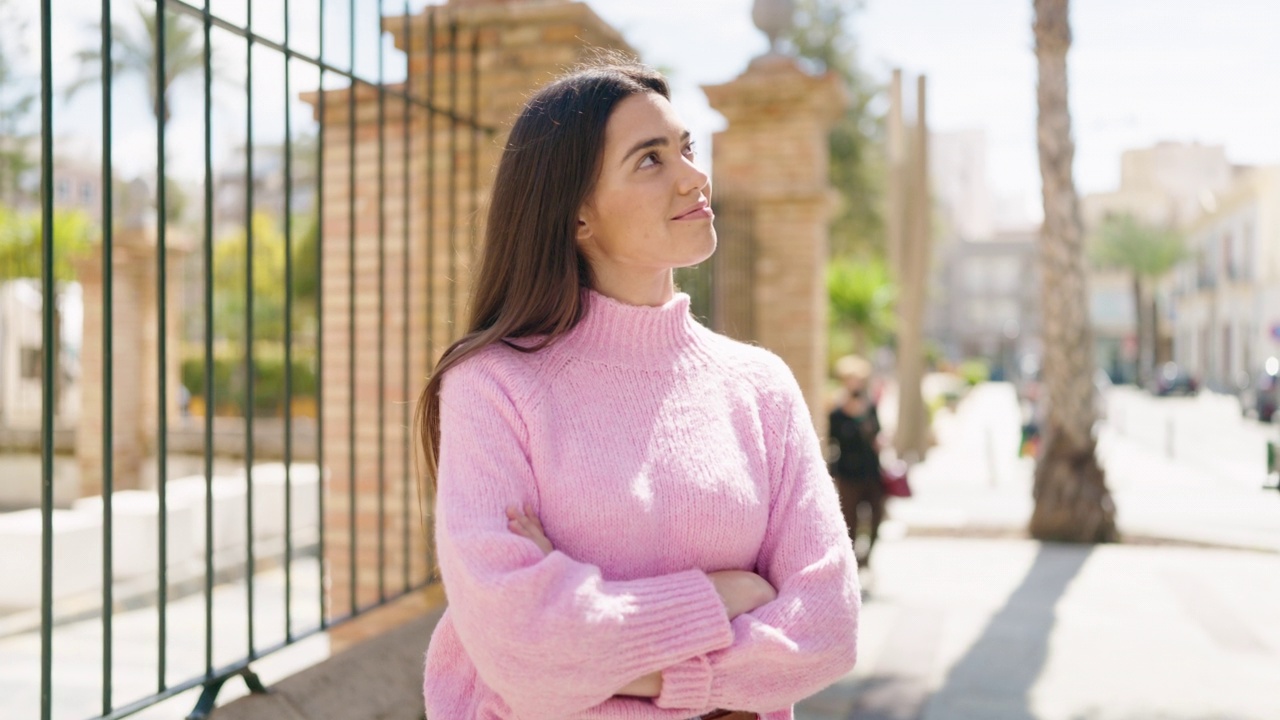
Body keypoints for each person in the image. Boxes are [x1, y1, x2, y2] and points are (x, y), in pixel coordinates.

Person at [414, 59, 860, 720]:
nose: (694, 177)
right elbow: (523, 650)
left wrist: (636, 664)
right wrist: (726, 597)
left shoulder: (759, 387)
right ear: (576, 218)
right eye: (650, 160)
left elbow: (827, 626)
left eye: (685, 148)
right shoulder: (493, 385)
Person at [827, 355, 885, 570]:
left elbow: (878, 433)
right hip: (848, 473)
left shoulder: (869, 408)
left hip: (871, 471)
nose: (856, 384)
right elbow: (833, 440)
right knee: (849, 519)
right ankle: (849, 560)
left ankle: (867, 556)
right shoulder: (837, 412)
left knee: (876, 515)